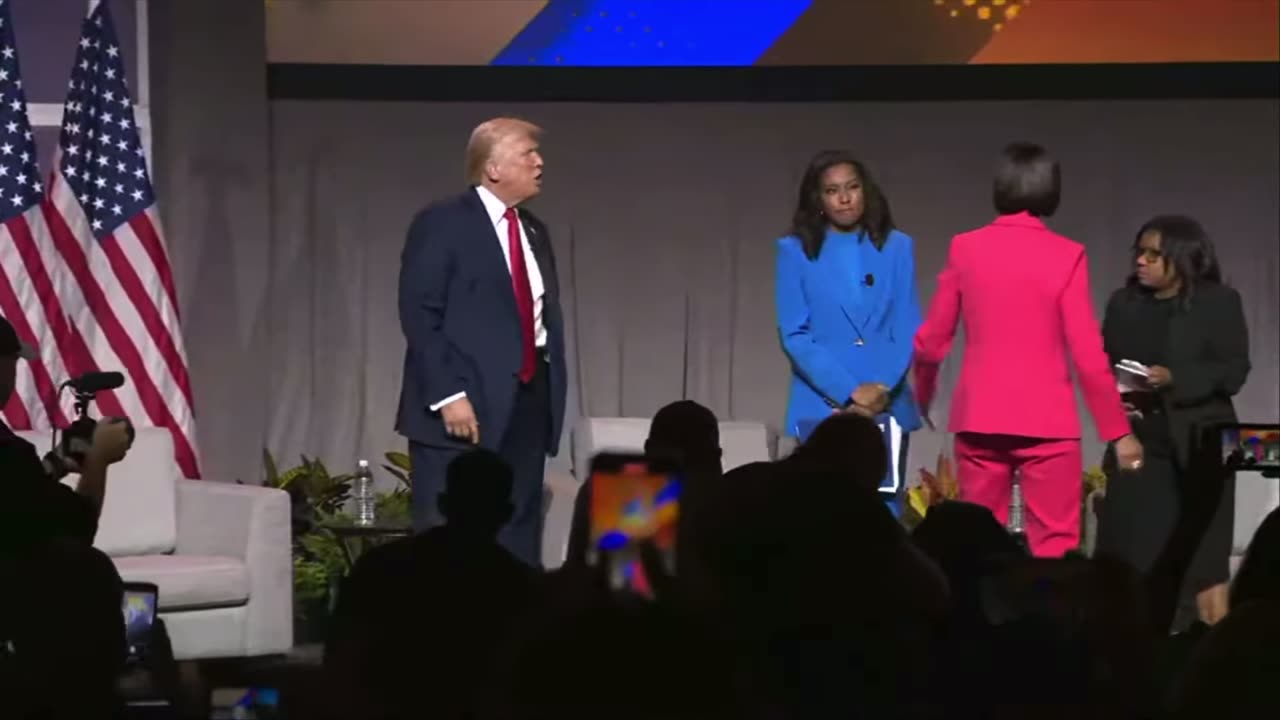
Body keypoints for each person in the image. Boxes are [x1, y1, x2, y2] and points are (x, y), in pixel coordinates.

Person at [912, 142, 1143, 558]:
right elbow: (1088, 353)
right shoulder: (1067, 255)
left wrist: (922, 395)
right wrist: (1119, 432)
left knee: (976, 549)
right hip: (1049, 423)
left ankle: (977, 623)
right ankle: (1047, 623)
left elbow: (932, 342)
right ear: (1051, 190)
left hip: (981, 417)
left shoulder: (966, 247)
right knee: (1055, 547)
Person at [396, 117, 567, 568]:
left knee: (518, 528)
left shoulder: (533, 231)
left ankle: (514, 631)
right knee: (447, 537)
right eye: (527, 154)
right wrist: (448, 395)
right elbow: (420, 314)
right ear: (493, 168)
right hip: (462, 407)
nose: (539, 162)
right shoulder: (443, 223)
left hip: (527, 403)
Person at [1095, 215, 1249, 628]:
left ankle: (1212, 665)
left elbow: (1234, 371)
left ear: (1181, 259)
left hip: (1206, 443)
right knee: (1134, 557)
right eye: (1139, 253)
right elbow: (1103, 365)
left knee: (1205, 565)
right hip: (1142, 441)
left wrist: (1174, 378)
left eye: (1153, 254)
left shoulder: (1219, 302)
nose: (1141, 262)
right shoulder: (1123, 304)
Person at [775, 150, 923, 515]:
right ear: (818, 199)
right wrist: (850, 392)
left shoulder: (898, 247)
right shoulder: (794, 252)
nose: (844, 198)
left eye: (852, 187)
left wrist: (878, 391)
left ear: (865, 192)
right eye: (832, 190)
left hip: (885, 404)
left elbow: (907, 326)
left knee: (884, 516)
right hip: (822, 405)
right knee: (822, 516)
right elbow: (795, 333)